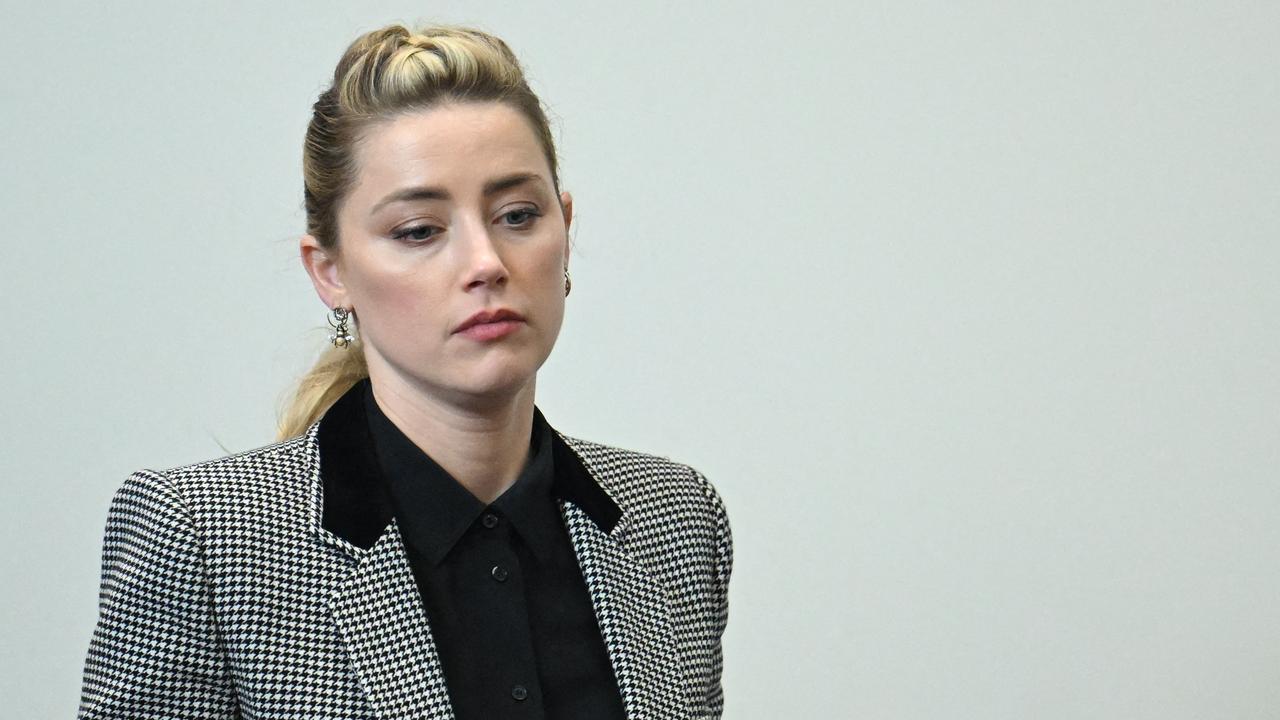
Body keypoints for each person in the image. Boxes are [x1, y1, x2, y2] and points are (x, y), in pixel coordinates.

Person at [77, 22, 732, 720]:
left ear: (565, 230)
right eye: (418, 230)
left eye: (518, 215)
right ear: (331, 273)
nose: (485, 263)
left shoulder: (676, 519)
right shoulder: (205, 539)